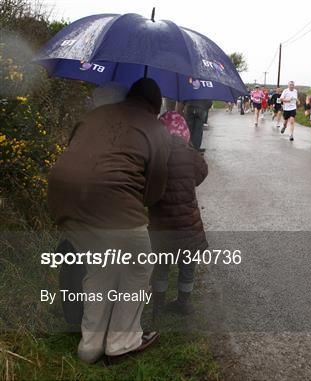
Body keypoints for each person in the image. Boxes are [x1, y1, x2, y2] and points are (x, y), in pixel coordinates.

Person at [48, 78, 170, 363]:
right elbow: (153, 191)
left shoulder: (95, 114)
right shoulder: (155, 127)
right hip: (111, 202)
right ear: (155, 106)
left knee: (101, 269)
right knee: (138, 267)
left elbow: (77, 151)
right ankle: (121, 341)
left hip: (61, 197)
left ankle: (89, 347)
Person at [150, 110, 208, 317]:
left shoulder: (155, 155)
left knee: (162, 266)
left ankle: (157, 306)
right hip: (188, 226)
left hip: (161, 226)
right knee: (187, 266)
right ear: (185, 133)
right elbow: (202, 173)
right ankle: (183, 303)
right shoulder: (191, 155)